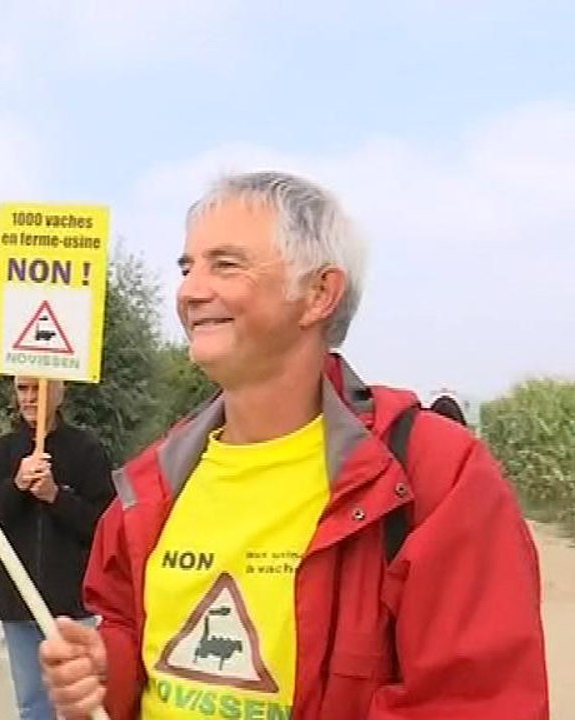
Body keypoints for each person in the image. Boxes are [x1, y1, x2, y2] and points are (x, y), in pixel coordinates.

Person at [39, 171, 549, 719]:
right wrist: (105, 666)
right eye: (187, 268)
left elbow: (475, 702)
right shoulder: (152, 483)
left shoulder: (437, 476)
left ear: (319, 294)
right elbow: (132, 633)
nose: (189, 290)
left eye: (225, 264)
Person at [0, 375, 113, 720]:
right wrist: (16, 486)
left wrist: (55, 497)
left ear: (60, 391)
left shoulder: (87, 450)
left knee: (80, 704)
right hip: (17, 601)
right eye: (23, 388)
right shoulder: (1, 452)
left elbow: (102, 526)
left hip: (71, 605)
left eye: (40, 388)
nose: (30, 398)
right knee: (33, 704)